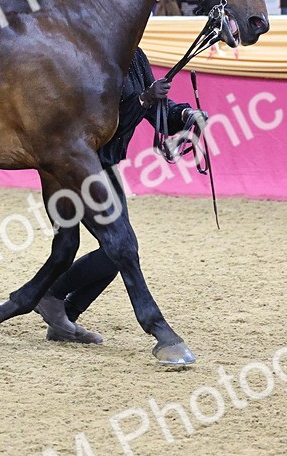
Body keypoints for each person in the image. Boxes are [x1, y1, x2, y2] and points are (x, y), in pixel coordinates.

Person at [34, 47, 203, 344]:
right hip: (79, 168)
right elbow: (101, 124)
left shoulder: (135, 58)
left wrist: (185, 115)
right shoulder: (91, 58)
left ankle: (62, 314)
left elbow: (159, 116)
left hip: (107, 167)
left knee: (120, 249)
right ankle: (52, 296)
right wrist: (143, 98)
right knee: (121, 247)